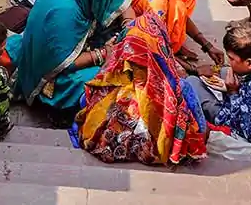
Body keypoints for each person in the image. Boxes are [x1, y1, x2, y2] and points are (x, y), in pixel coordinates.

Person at [4, 0, 135, 126]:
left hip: (61, 45)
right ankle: (60, 110)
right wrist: (103, 54)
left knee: (113, 28)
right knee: (109, 80)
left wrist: (128, 28)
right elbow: (61, 64)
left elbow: (124, 5)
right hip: (51, 71)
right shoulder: (63, 15)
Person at [77, 12, 210, 165]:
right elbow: (201, 130)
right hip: (158, 151)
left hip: (108, 145)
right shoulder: (176, 88)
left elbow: (85, 101)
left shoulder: (107, 85)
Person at [187, 21, 251, 148]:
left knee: (191, 82)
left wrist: (232, 93)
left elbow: (250, 136)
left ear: (249, 63)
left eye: (231, 59)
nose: (229, 61)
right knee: (224, 71)